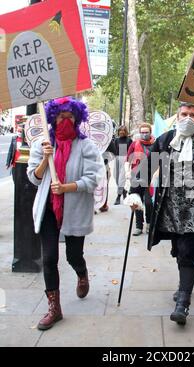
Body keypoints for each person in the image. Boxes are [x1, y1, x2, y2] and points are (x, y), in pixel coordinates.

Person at [129, 102, 194, 325]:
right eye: (184, 114)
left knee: (189, 251)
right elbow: (146, 168)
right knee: (178, 249)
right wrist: (135, 193)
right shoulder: (165, 139)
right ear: (177, 115)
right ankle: (185, 285)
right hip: (170, 207)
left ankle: (182, 303)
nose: (188, 118)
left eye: (193, 115)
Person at [27, 97, 104, 330]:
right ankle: (54, 308)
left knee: (73, 255)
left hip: (74, 210)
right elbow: (33, 177)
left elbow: (93, 179)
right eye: (61, 116)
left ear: (77, 118)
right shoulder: (42, 144)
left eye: (70, 116)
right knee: (49, 259)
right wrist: (45, 159)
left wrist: (67, 187)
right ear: (52, 117)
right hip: (49, 209)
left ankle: (82, 273)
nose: (66, 120)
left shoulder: (86, 146)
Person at [127, 123, 155, 236]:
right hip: (136, 176)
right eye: (142, 132)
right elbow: (127, 160)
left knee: (148, 203)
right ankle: (139, 226)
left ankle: (149, 224)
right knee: (136, 202)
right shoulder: (134, 144)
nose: (144, 134)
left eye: (146, 132)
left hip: (150, 177)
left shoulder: (155, 144)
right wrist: (127, 172)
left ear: (150, 132)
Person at [114, 126, 132, 205]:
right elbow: (114, 150)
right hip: (117, 159)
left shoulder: (129, 140)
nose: (121, 132)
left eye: (123, 130)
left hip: (125, 160)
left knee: (121, 178)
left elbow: (131, 151)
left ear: (126, 131)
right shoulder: (116, 140)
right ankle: (124, 191)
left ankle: (118, 196)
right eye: (120, 130)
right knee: (116, 177)